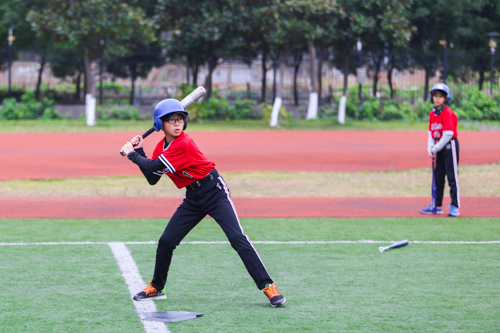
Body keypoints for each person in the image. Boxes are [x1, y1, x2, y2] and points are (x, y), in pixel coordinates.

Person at [120, 99, 286, 307]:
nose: (178, 124)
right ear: (160, 124)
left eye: (180, 119)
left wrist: (132, 154)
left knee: (237, 238)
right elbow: (153, 176)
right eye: (171, 120)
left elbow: (153, 166)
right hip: (193, 198)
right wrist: (140, 152)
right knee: (166, 241)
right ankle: (157, 286)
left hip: (214, 192)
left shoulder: (183, 144)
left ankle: (268, 286)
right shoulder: (163, 147)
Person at [420, 83, 460, 217]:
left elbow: (448, 134)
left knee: (452, 176)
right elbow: (431, 132)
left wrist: (436, 148)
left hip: (449, 146)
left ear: (446, 99)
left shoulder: (447, 113)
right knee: (438, 177)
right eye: (435, 96)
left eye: (440, 96)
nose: (437, 99)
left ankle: (455, 206)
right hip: (440, 146)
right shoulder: (432, 113)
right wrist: (430, 148)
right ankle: (437, 205)